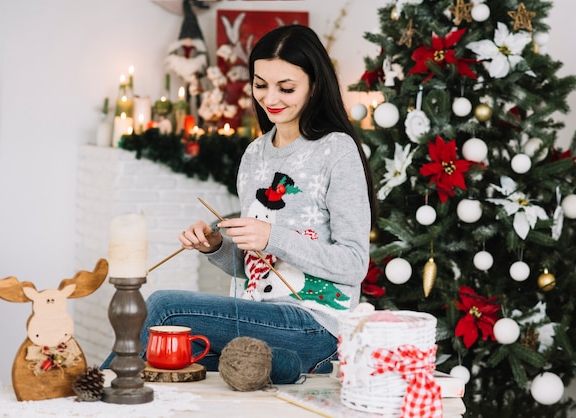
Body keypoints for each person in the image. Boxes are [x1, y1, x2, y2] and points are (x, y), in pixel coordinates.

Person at [103, 24, 377, 382]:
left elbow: (354, 264)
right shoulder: (255, 155)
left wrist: (271, 235)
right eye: (260, 84)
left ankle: (98, 392)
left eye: (287, 87)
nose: (270, 98)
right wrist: (216, 247)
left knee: (164, 309)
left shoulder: (336, 150)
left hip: (315, 326)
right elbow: (254, 266)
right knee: (172, 362)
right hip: (257, 323)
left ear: (315, 85)